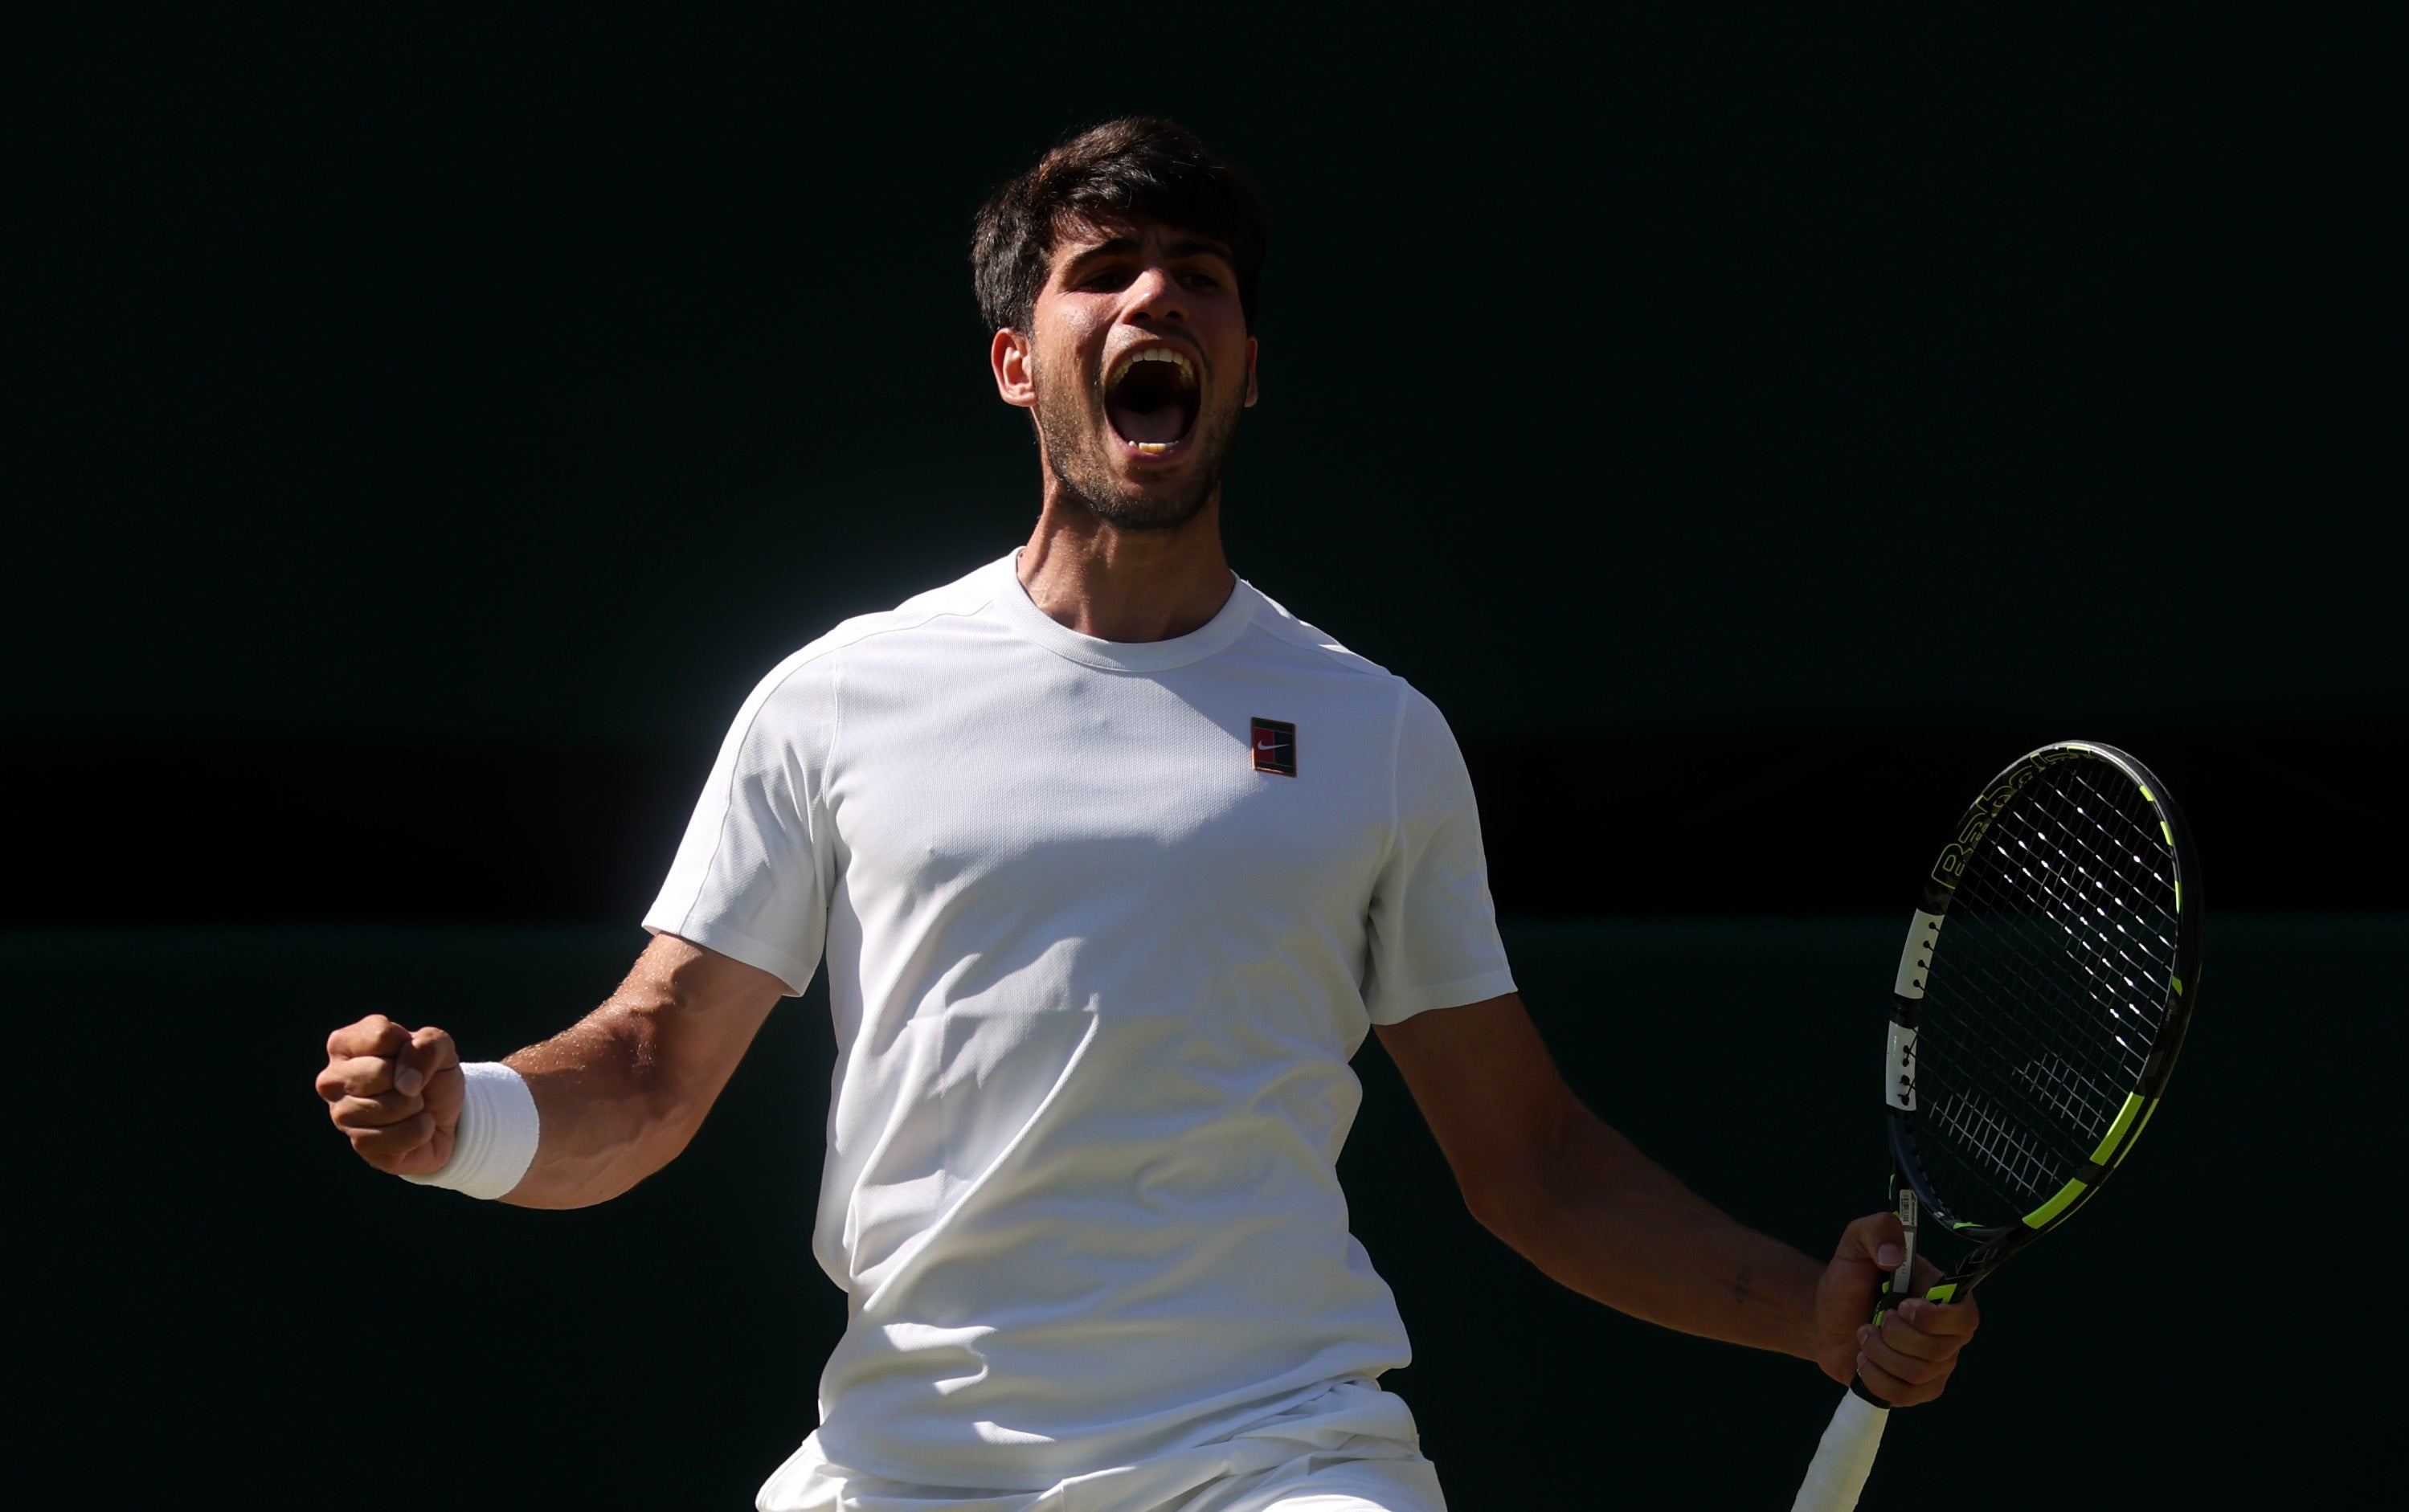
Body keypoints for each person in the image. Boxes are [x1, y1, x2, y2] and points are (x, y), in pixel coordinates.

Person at [314, 118, 1977, 1512]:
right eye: (1100, 269)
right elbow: (648, 1070)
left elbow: (1530, 1159)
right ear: (1014, 361)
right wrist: (469, 1121)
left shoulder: (1377, 735)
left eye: (1198, 275)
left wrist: (1806, 1310)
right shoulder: (836, 698)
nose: (1152, 295)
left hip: (1277, 1456)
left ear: (1246, 368)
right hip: (910, 1465)